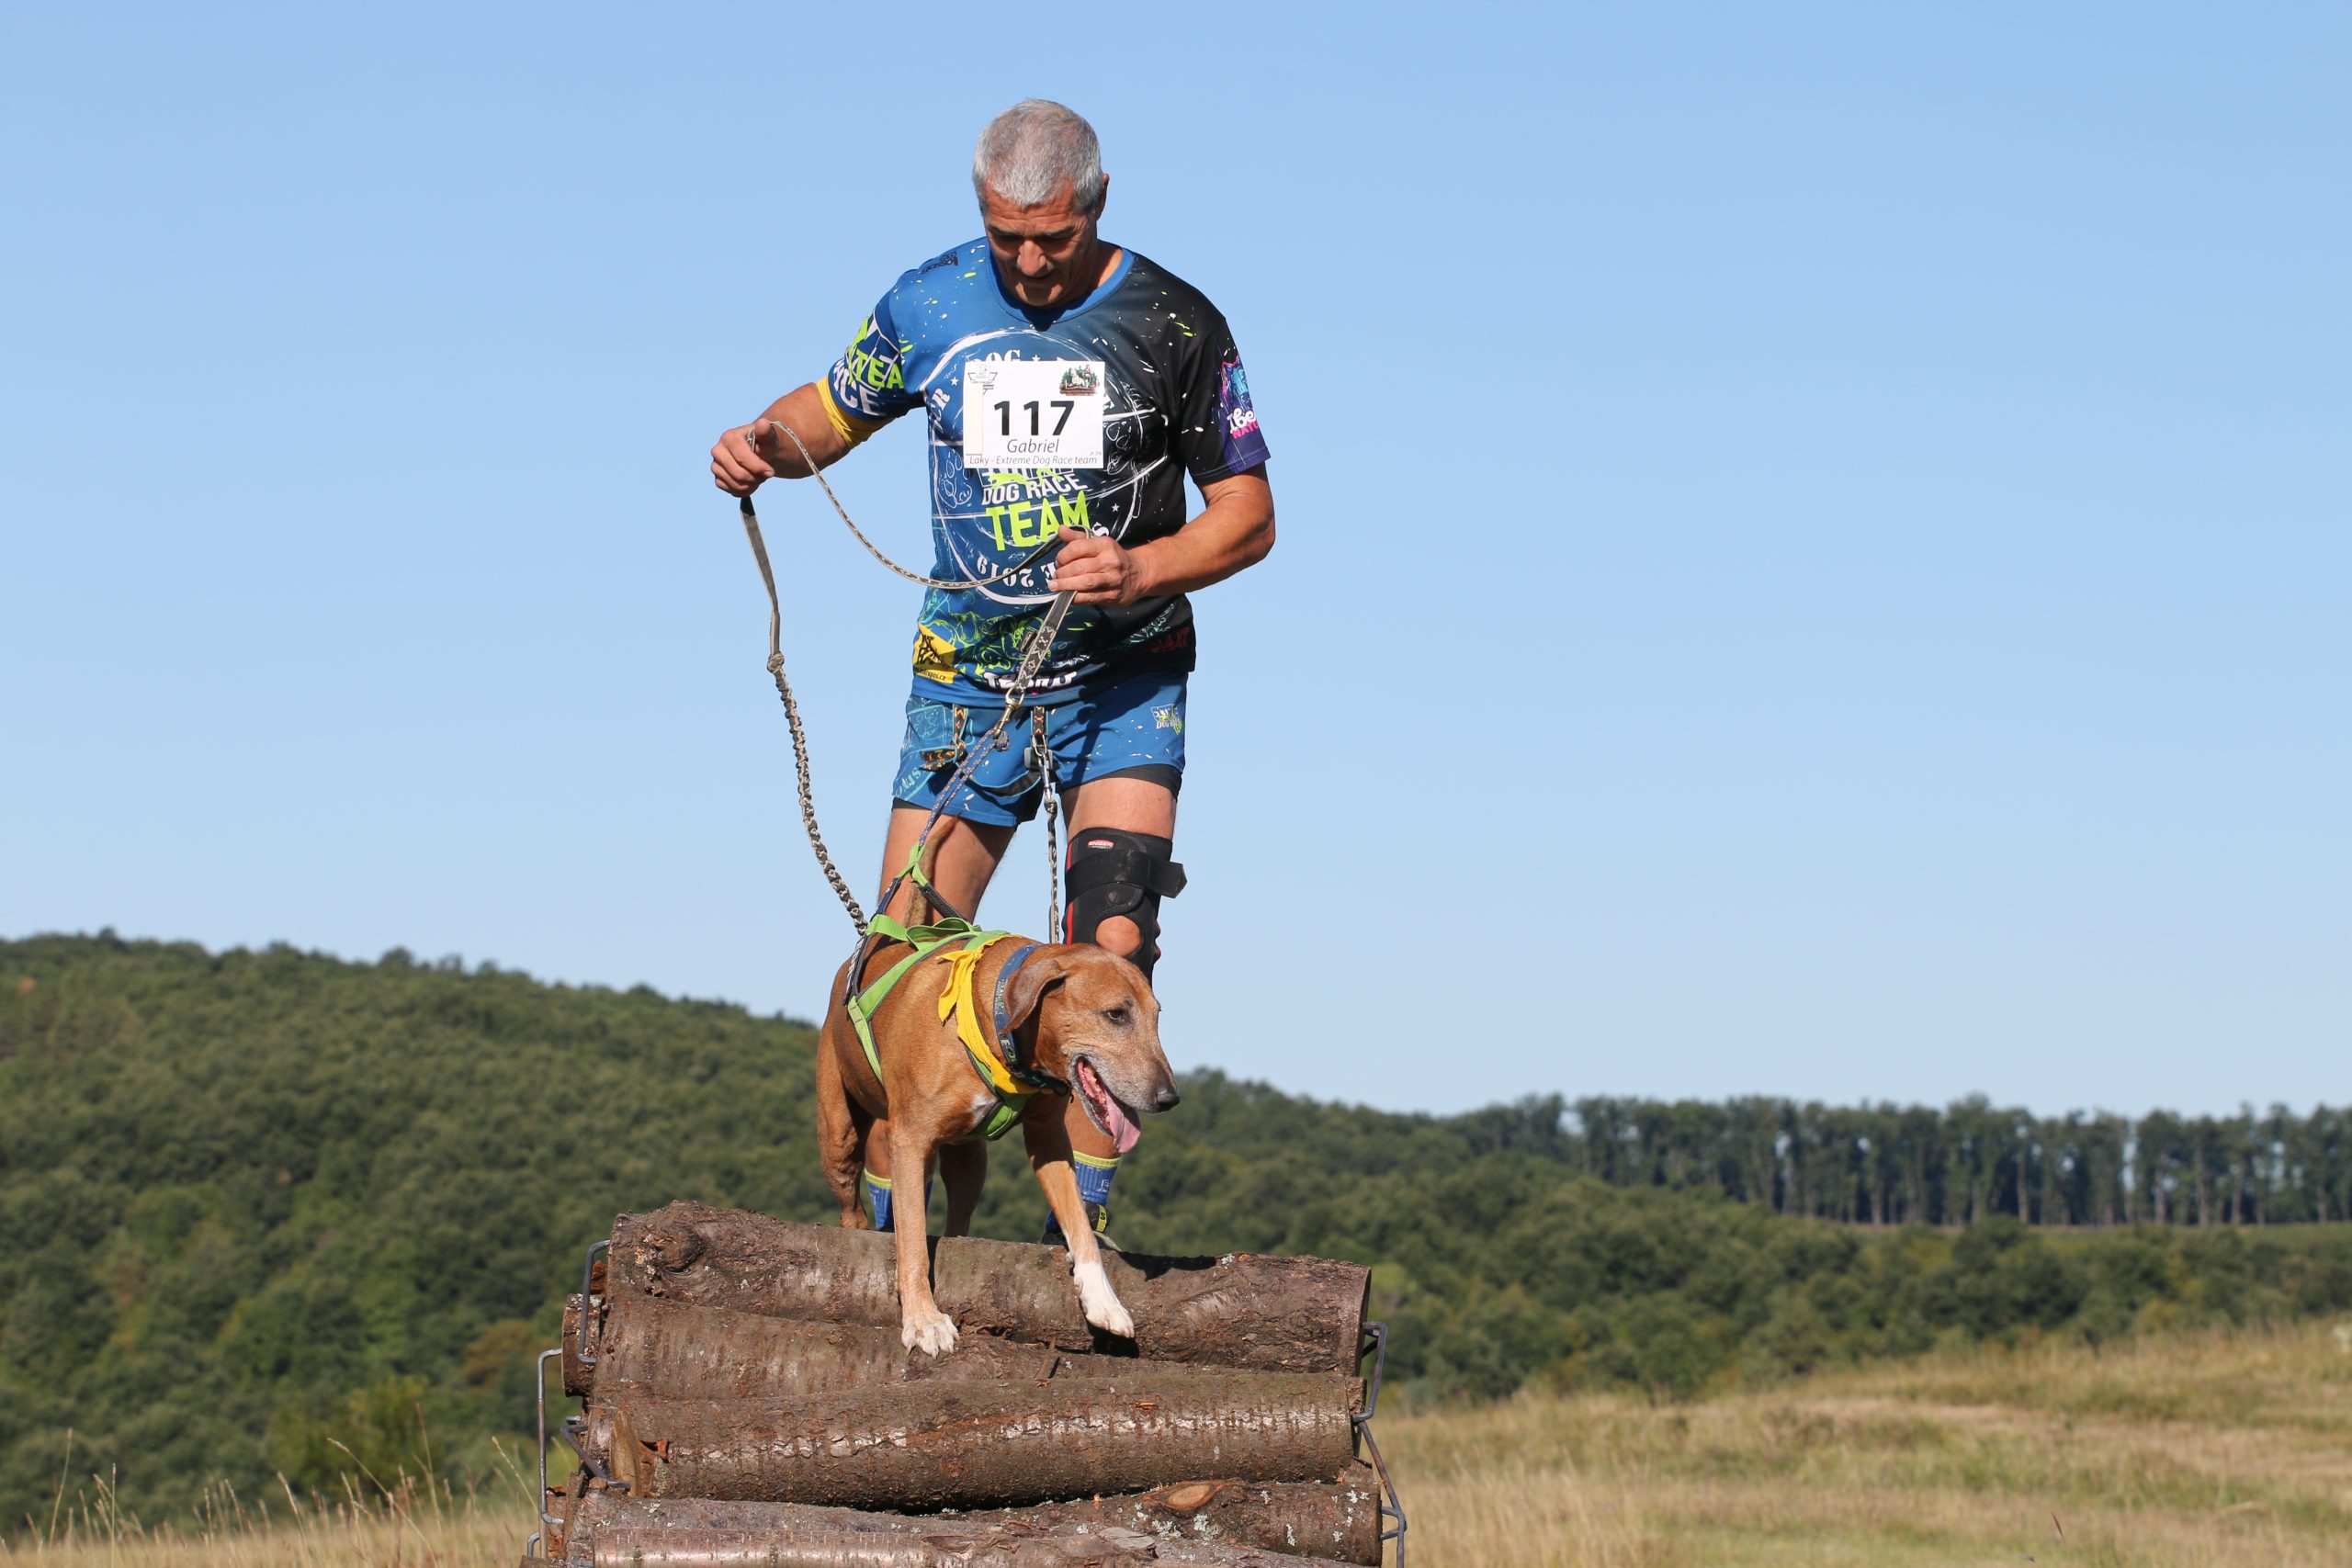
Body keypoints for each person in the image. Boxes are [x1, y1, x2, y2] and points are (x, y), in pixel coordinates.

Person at [708, 99, 1273, 1245]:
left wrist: (1142, 566)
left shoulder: (1175, 320)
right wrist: (761, 443)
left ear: (1097, 206)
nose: (1026, 261)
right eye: (1005, 234)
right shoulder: (928, 303)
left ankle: (1082, 1234)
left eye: (1053, 240)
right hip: (968, 679)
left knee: (1111, 944)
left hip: (1124, 676)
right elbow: (828, 412)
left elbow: (1250, 517)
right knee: (899, 953)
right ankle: (883, 1240)